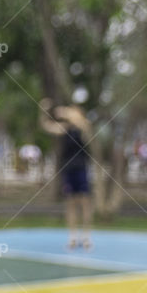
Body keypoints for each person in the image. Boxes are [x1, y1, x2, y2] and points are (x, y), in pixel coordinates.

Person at [40, 98, 93, 250]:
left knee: (84, 203)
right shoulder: (64, 129)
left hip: (82, 169)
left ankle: (86, 237)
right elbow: (45, 126)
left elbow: (83, 123)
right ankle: (73, 237)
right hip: (68, 169)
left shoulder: (83, 128)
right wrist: (42, 111)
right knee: (70, 204)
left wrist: (66, 111)